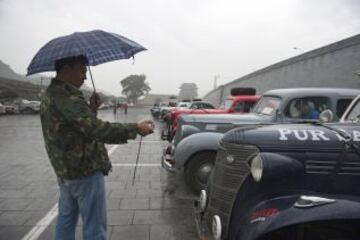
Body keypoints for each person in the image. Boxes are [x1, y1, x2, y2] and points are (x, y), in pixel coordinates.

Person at [40, 55, 154, 240]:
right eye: (82, 71)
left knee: (66, 219)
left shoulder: (51, 94)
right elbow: (97, 130)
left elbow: (74, 127)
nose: (85, 77)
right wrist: (135, 128)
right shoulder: (67, 97)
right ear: (66, 69)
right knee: (94, 225)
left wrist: (91, 109)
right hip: (84, 170)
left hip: (65, 170)